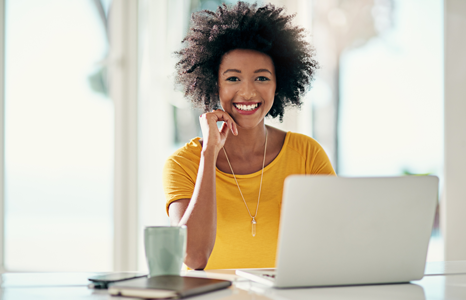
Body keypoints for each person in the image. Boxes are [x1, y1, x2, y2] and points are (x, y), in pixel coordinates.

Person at [163, 1, 335, 270]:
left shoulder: (307, 155)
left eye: (262, 78)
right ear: (213, 82)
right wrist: (209, 153)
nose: (248, 93)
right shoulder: (182, 164)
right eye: (233, 79)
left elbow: (333, 244)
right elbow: (193, 257)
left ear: (279, 84)